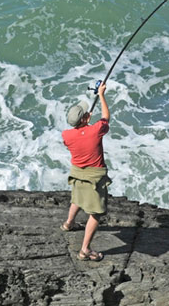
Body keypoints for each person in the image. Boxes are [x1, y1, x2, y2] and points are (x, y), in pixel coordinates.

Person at [61, 81, 111, 261]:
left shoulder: (66, 135)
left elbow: (81, 134)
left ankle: (68, 223)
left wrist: (85, 122)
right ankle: (85, 250)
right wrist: (102, 95)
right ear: (85, 119)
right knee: (96, 214)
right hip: (94, 178)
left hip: (77, 174)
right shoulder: (96, 130)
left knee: (77, 198)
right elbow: (106, 117)